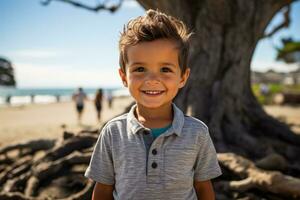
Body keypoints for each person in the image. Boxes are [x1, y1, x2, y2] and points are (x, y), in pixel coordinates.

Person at [85, 10, 222, 200]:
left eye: (165, 69)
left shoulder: (197, 133)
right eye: (140, 69)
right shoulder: (113, 132)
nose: (152, 79)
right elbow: (103, 190)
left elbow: (203, 189)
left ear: (183, 77)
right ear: (124, 77)